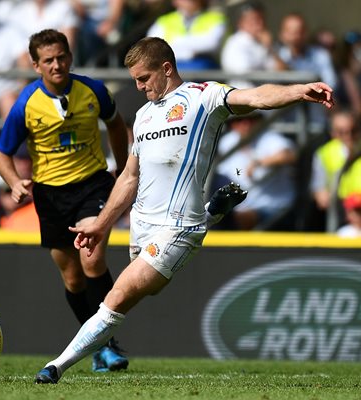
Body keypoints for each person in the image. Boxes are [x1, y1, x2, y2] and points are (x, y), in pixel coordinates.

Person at [33, 36, 334, 384]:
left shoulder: (203, 97)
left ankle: (56, 366)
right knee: (147, 287)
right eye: (134, 80)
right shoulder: (143, 115)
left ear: (166, 68)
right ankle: (212, 213)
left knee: (115, 298)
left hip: (179, 228)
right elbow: (130, 177)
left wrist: (298, 90)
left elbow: (254, 96)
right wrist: (102, 225)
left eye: (144, 78)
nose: (139, 86)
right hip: (143, 226)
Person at [0, 29, 131, 373]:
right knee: (73, 280)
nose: (57, 65)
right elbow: (1, 154)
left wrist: (123, 168)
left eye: (62, 57)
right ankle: (96, 348)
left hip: (93, 185)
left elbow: (116, 125)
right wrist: (13, 183)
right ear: (36, 65)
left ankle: (108, 342)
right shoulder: (26, 103)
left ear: (70, 56)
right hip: (51, 197)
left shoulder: (93, 90)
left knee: (92, 258)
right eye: (49, 60)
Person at [213, 111, 297, 230]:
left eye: (251, 120)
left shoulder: (270, 138)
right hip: (239, 207)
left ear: (258, 121)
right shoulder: (227, 142)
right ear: (232, 124)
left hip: (273, 206)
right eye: (239, 121)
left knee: (232, 219)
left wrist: (259, 162)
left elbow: (289, 155)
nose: (245, 124)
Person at [309, 110, 361, 228]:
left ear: (360, 130)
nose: (349, 136)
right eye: (342, 132)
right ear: (333, 133)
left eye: (353, 130)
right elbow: (319, 190)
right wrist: (322, 195)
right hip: (336, 209)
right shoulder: (323, 153)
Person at [220, 1, 285, 88]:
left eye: (262, 19)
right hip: (241, 96)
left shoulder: (265, 43)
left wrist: (269, 47)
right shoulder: (235, 42)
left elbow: (282, 70)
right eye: (255, 19)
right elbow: (245, 73)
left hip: (264, 96)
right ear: (241, 23)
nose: (260, 24)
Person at [146, 0, 227, 70]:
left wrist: (174, 42)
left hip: (205, 71)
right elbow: (152, 47)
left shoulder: (216, 18)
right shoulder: (163, 21)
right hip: (171, 68)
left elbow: (211, 44)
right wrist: (191, 51)